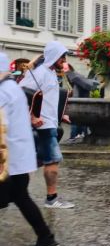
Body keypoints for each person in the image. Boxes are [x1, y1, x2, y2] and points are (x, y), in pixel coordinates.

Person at [0, 52, 59, 246]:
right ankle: (45, 237)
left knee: (18, 196)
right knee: (20, 196)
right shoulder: (11, 88)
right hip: (17, 156)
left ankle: (46, 237)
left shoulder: (4, 91)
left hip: (9, 159)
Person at [18, 41, 74, 209]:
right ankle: (51, 199)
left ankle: (14, 193)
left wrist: (60, 114)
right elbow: (22, 93)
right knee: (52, 161)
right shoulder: (39, 73)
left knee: (32, 162)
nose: (64, 59)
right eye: (61, 56)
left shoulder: (50, 73)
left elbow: (47, 98)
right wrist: (32, 117)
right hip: (43, 125)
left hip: (49, 122)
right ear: (54, 56)